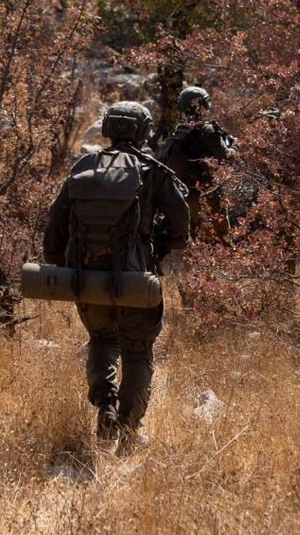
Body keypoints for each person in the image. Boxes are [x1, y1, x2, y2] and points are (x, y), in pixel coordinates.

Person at [43, 101, 190, 445]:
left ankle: (105, 406)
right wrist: (158, 251)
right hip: (137, 281)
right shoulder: (153, 171)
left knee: (102, 340)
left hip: (87, 280)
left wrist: (72, 268)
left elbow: (53, 233)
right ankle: (127, 427)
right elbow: (181, 228)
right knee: (137, 351)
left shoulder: (85, 167)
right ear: (143, 132)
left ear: (108, 128)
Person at [156, 86, 237, 240]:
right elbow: (226, 157)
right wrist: (235, 146)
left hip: (184, 195)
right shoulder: (208, 131)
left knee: (196, 239)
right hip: (207, 193)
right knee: (221, 238)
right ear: (205, 106)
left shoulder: (179, 132)